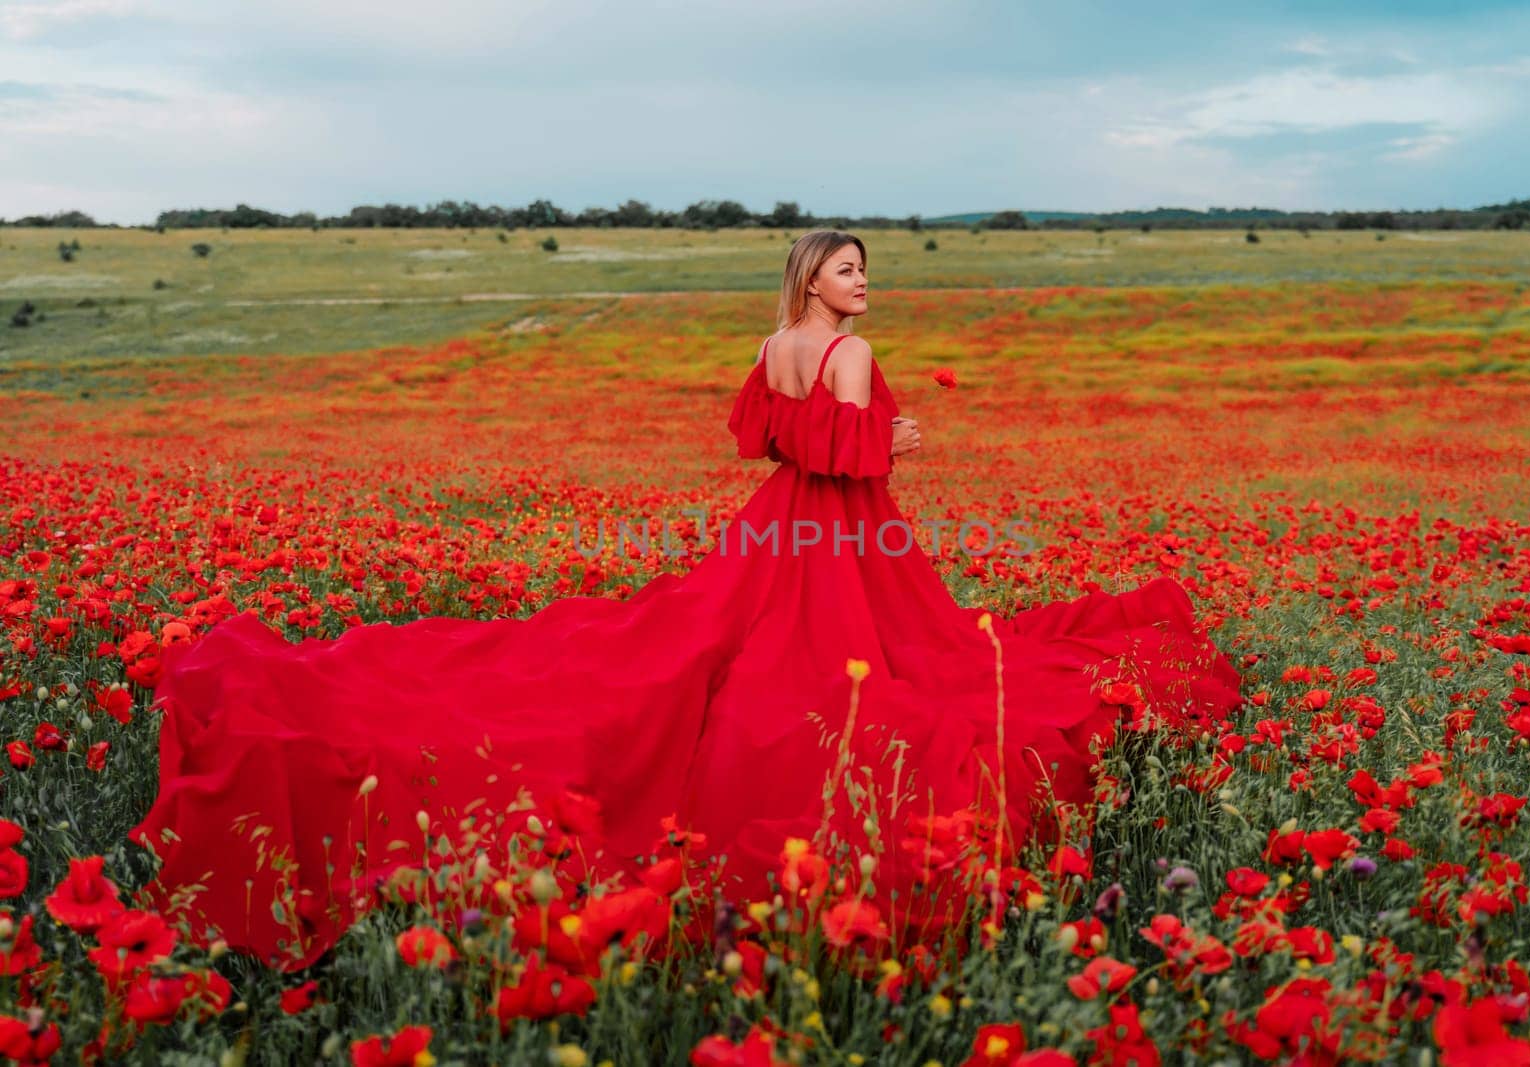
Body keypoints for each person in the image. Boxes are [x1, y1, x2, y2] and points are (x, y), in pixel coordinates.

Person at [130, 229, 1241, 970]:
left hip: (773, 526)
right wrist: (893, 435)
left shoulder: (772, 342)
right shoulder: (849, 354)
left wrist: (855, 436)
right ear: (816, 278)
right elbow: (852, 463)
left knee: (684, 643)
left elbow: (762, 435)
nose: (864, 283)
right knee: (887, 671)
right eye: (850, 269)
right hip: (841, 537)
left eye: (864, 271)